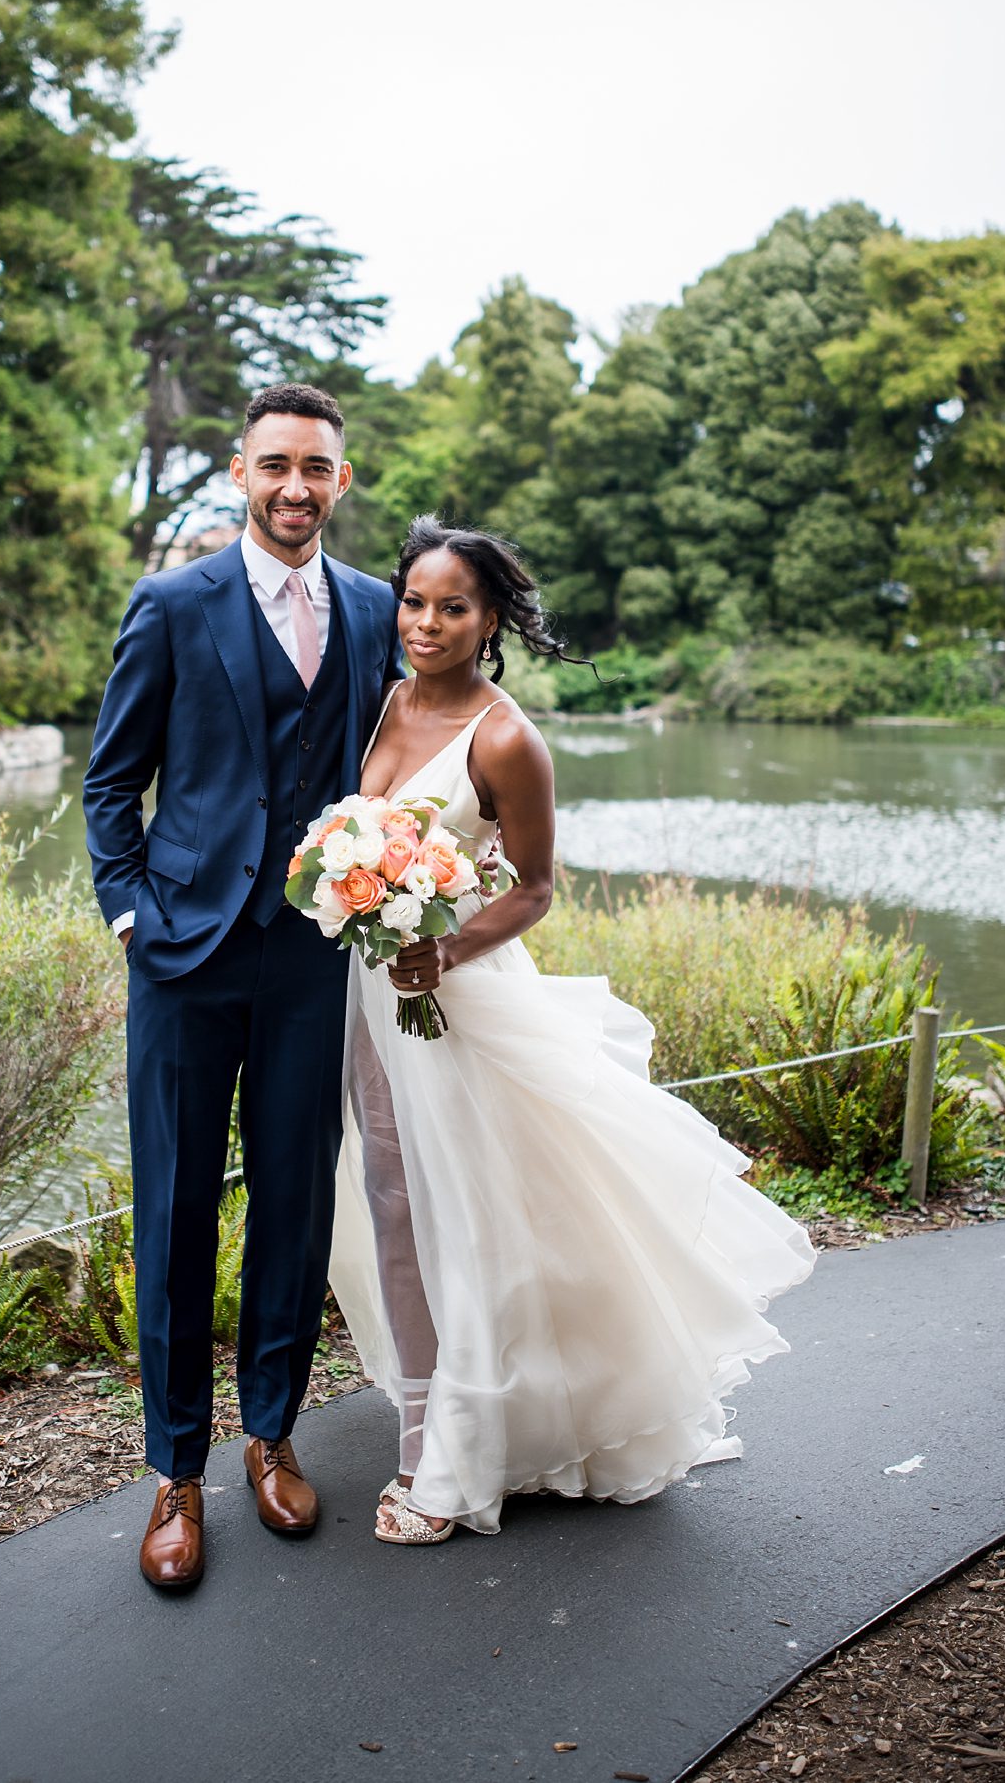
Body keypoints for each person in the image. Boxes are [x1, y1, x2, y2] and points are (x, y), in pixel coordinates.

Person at [327, 516, 817, 1542]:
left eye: (451, 607)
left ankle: (454, 1460)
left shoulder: (504, 737)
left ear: (489, 618)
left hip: (460, 996)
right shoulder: (379, 706)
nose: (426, 622)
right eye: (413, 603)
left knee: (470, 1210)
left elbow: (537, 888)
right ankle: (423, 1417)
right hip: (374, 993)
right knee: (390, 1198)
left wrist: (445, 951)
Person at [83, 384, 405, 1589]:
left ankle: (270, 1436)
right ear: (238, 470)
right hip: (180, 954)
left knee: (292, 1201)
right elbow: (111, 784)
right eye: (274, 465)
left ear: (341, 478)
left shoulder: (376, 610)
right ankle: (175, 1471)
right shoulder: (172, 604)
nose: (293, 487)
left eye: (314, 469)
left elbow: (401, 761)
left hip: (311, 950)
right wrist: (129, 915)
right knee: (171, 1208)